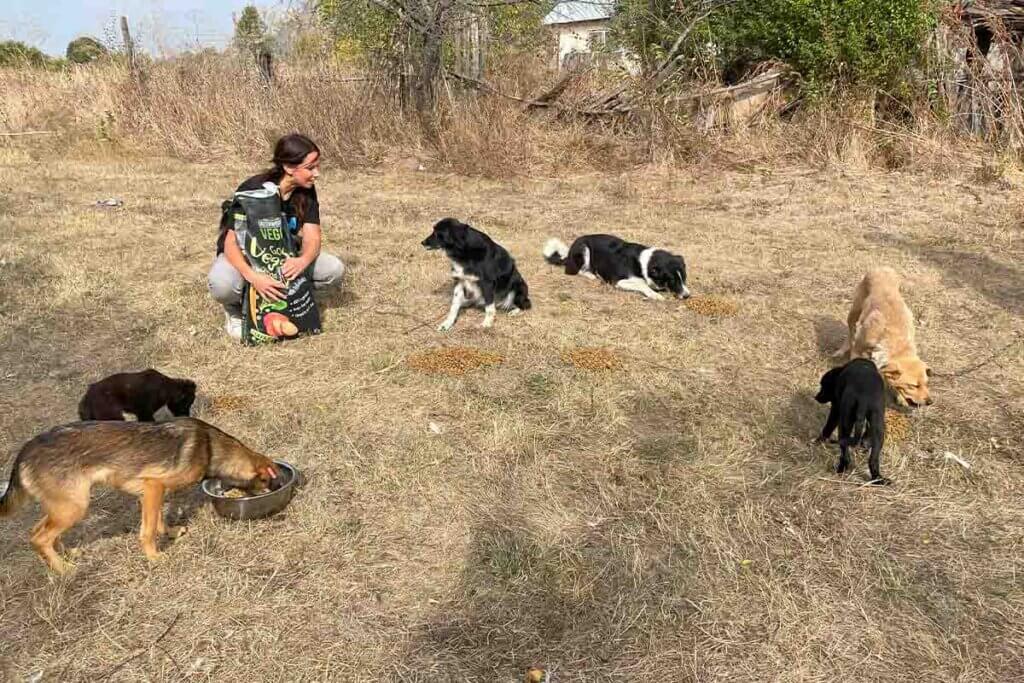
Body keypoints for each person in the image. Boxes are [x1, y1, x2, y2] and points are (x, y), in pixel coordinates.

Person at [208, 133, 344, 340]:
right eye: (310, 167)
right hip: (244, 256)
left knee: (333, 270)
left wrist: (302, 260)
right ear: (289, 168)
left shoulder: (306, 191)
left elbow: (313, 236)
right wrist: (254, 277)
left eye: (317, 166)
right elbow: (229, 243)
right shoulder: (251, 190)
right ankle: (235, 310)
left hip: (282, 256)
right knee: (222, 285)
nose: (317, 173)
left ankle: (292, 300)